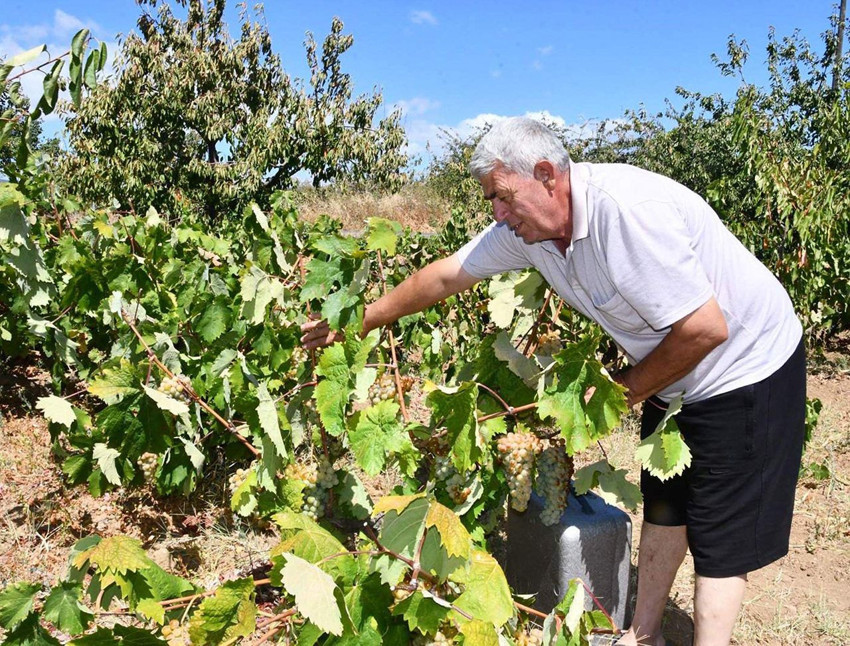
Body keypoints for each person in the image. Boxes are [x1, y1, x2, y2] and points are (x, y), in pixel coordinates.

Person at [300, 117, 806, 646]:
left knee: (718, 540)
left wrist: (623, 391)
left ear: (546, 174)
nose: (496, 213)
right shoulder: (530, 234)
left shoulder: (626, 215)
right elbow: (447, 274)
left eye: (501, 196)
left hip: (748, 367)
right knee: (665, 506)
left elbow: (705, 328)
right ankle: (644, 635)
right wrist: (358, 320)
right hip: (673, 370)